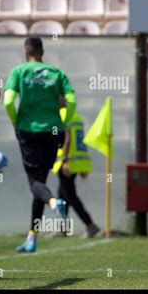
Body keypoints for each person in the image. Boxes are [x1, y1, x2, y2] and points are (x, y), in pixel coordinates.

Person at [3, 36, 76, 253]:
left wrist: (15, 121)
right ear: (42, 52)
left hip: (29, 131)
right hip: (53, 132)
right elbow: (71, 101)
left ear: (27, 52)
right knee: (40, 183)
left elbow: (7, 100)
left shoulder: (19, 72)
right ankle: (32, 238)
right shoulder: (57, 73)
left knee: (35, 184)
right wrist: (65, 123)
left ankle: (54, 203)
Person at [51, 97, 100, 238]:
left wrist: (65, 160)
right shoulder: (76, 116)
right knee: (63, 196)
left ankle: (90, 225)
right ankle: (63, 228)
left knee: (70, 196)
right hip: (76, 162)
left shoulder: (63, 115)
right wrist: (83, 166)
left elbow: (67, 138)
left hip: (67, 163)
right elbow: (80, 141)